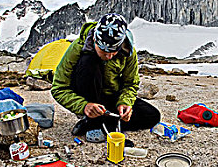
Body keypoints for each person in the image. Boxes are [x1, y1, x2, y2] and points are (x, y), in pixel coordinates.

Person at [51, 13, 161, 141]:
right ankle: (93, 118)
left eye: (114, 52)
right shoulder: (77, 48)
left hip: (111, 98)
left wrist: (125, 103)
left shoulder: (128, 52)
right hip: (87, 96)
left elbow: (130, 84)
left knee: (152, 116)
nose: (109, 57)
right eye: (104, 52)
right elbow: (58, 88)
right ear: (95, 40)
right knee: (88, 61)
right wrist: (84, 106)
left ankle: (99, 123)